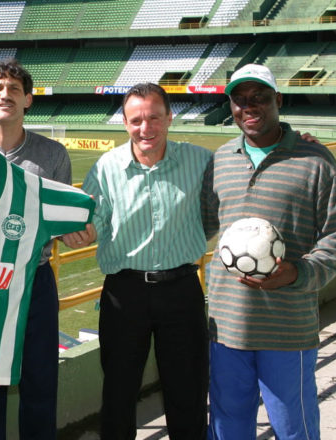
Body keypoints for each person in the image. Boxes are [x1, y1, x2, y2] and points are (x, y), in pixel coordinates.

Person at [0, 58, 94, 440]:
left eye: (14, 88)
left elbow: (60, 223)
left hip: (33, 282)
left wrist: (76, 233)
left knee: (40, 389)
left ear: (28, 99)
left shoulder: (53, 155)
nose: (5, 94)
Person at [202, 64, 336, 439]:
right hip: (227, 327)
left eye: (260, 97)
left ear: (278, 100)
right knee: (227, 427)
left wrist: (298, 273)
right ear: (230, 106)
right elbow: (201, 226)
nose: (249, 106)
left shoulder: (315, 160)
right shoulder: (220, 159)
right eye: (240, 100)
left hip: (287, 329)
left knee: (294, 428)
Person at [81, 83, 211, 439]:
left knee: (188, 392)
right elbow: (91, 221)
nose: (145, 127)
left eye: (154, 117)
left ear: (170, 118)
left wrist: (293, 141)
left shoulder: (200, 161)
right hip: (125, 294)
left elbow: (242, 168)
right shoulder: (106, 168)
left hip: (181, 289)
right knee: (118, 393)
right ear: (125, 123)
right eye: (136, 120)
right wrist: (81, 232)